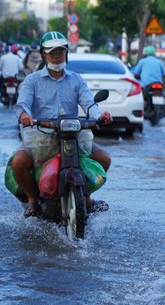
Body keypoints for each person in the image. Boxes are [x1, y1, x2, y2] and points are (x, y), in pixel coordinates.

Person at [12, 31, 113, 217]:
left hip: (73, 135)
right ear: (43, 54)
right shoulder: (31, 81)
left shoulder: (76, 79)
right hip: (40, 136)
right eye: (52, 52)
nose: (57, 56)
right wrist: (25, 114)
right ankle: (33, 200)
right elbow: (22, 105)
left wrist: (99, 116)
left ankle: (87, 197)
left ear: (66, 52)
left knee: (104, 158)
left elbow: (89, 104)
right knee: (18, 162)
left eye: (60, 51)